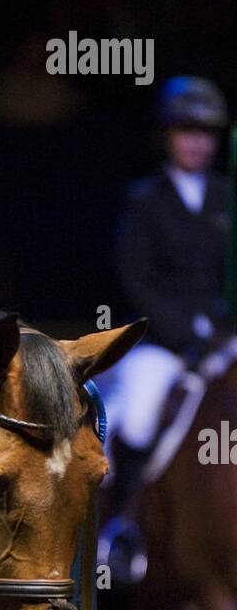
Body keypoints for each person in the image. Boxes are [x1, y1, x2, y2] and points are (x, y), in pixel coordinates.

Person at [99, 75, 232, 537]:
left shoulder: (227, 198)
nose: (196, 142)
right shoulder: (145, 200)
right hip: (162, 342)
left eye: (206, 133)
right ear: (167, 136)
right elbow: (138, 281)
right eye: (185, 131)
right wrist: (187, 331)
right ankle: (122, 525)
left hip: (223, 338)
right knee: (136, 416)